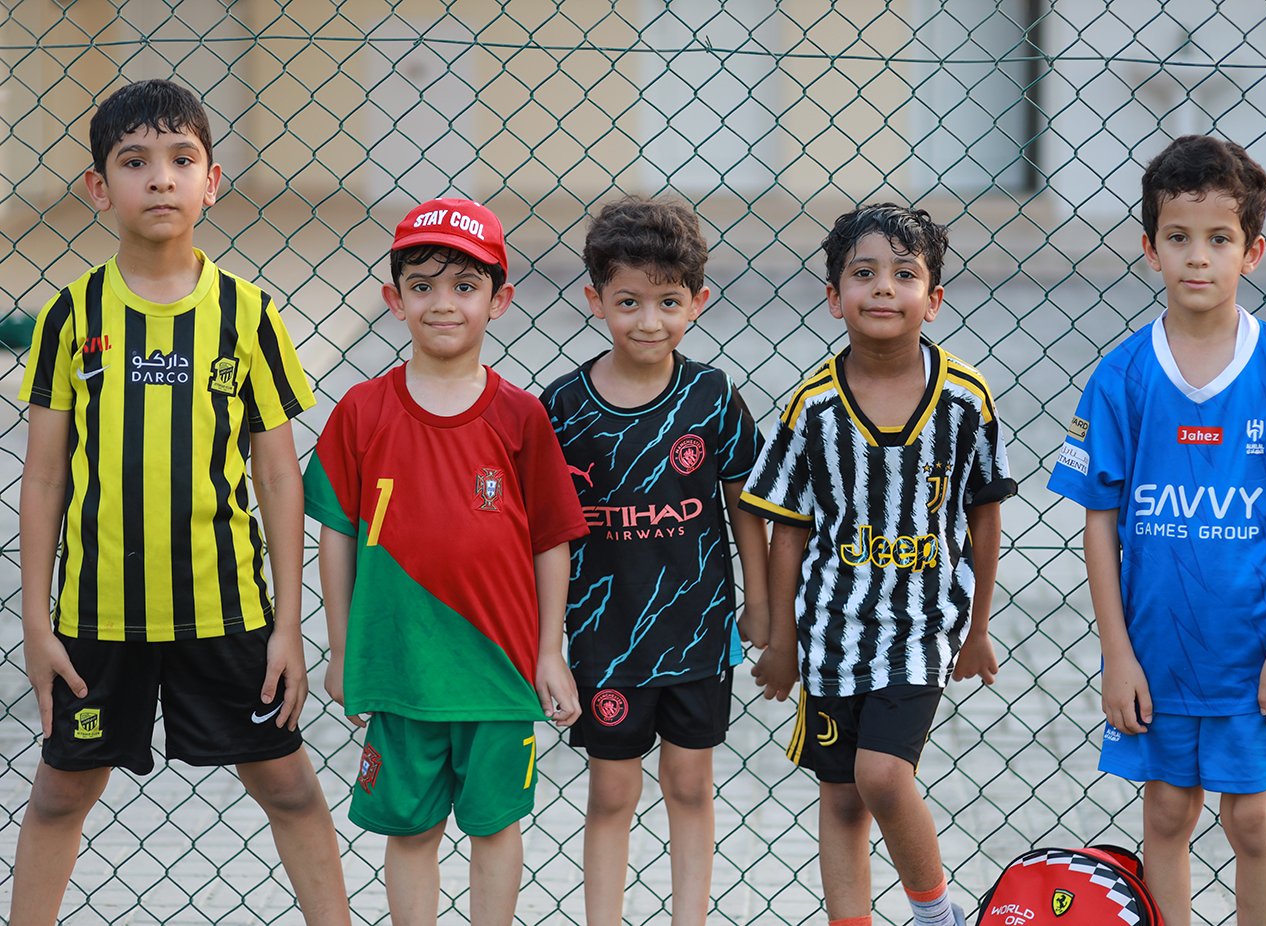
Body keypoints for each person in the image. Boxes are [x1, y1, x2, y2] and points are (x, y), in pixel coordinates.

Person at [13, 79, 350, 925]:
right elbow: (44, 478)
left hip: (224, 608)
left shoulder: (247, 314)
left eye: (180, 159)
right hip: (98, 615)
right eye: (134, 162)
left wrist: (287, 626)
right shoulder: (69, 317)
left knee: (289, 787)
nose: (160, 178)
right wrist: (36, 625)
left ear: (212, 180)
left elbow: (280, 477)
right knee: (59, 796)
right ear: (99, 188)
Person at [1046, 135, 1266, 926]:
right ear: (1150, 248)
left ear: (1252, 251)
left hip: (1254, 654)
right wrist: (1116, 655)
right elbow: (1098, 523)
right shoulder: (1121, 373)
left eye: (1218, 239)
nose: (1197, 257)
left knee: (1250, 821)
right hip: (1156, 654)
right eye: (1178, 237)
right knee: (1167, 815)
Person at [304, 196, 588, 926]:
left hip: (497, 672)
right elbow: (335, 536)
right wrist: (341, 650)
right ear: (393, 300)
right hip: (401, 672)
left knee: (495, 828)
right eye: (423, 285)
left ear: (499, 301)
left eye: (465, 286)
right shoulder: (362, 411)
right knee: (411, 832)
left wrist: (548, 651)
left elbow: (550, 540)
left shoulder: (521, 416)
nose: (442, 303)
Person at [740, 203, 1015, 926]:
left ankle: (936, 915)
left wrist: (978, 628)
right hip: (831, 633)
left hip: (922, 628)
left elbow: (985, 514)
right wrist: (782, 642)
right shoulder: (813, 407)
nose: (884, 288)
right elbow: (787, 530)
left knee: (883, 775)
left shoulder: (965, 399)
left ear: (934, 297)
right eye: (863, 274)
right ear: (835, 298)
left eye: (904, 274)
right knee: (840, 798)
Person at [539, 197, 769, 926]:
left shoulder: (711, 396)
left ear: (698, 301)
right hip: (605, 639)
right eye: (628, 301)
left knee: (690, 785)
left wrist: (760, 600)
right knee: (612, 794)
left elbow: (744, 501)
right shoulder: (563, 407)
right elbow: (547, 534)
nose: (648, 321)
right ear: (595, 299)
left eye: (668, 302)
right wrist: (548, 643)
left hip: (697, 634)